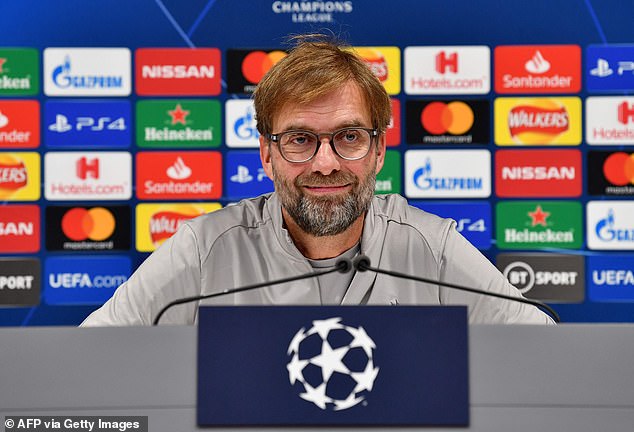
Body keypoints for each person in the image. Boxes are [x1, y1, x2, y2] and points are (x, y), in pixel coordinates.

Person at [81, 34, 554, 326]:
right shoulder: (204, 250)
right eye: (300, 139)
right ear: (267, 154)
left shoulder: (431, 248)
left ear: (379, 150)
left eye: (349, 136)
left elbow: (542, 353)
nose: (325, 163)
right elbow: (95, 357)